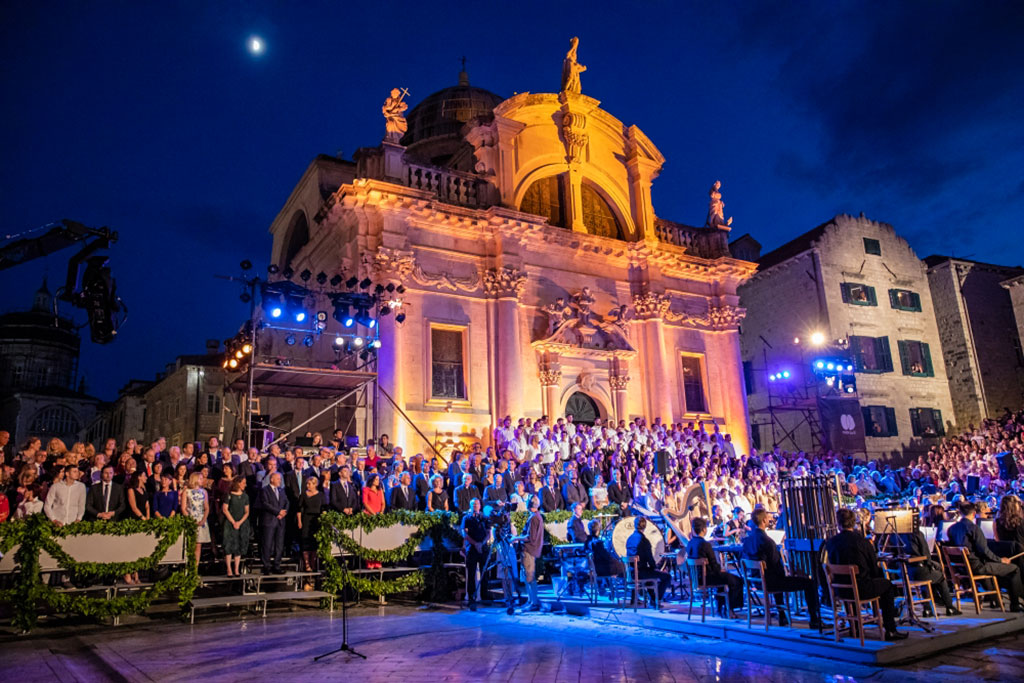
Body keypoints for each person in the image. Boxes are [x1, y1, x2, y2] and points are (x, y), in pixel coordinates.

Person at [825, 508, 906, 640]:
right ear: (854, 523)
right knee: (887, 586)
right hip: (861, 589)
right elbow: (874, 569)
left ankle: (855, 626)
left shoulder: (831, 542)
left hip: (840, 590)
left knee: (855, 583)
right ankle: (890, 629)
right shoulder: (863, 542)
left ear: (838, 524)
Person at [743, 508, 822, 628]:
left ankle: (782, 616)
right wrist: (790, 571)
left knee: (773, 575)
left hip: (755, 581)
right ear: (764, 520)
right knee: (809, 583)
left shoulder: (747, 541)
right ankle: (815, 620)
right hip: (770, 582)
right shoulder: (768, 541)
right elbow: (776, 566)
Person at [947, 502, 1022, 612]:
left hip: (962, 568)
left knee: (990, 566)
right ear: (974, 513)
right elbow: (985, 551)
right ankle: (1015, 605)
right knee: (1014, 569)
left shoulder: (952, 529)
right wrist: (1001, 560)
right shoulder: (974, 528)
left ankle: (995, 600)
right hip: (977, 567)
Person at [894, 525, 960, 616]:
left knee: (929, 574)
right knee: (939, 576)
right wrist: (931, 564)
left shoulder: (896, 535)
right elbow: (926, 554)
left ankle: (928, 608)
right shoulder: (917, 534)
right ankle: (949, 607)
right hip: (917, 570)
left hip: (903, 572)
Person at [687, 517, 743, 617]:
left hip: (696, 579)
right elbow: (713, 564)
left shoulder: (690, 543)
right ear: (704, 530)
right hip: (708, 578)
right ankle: (729, 608)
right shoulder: (705, 544)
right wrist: (720, 569)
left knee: (723, 578)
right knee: (737, 580)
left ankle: (720, 606)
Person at [626, 517, 670, 602]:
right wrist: (655, 568)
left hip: (630, 572)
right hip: (640, 573)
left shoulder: (629, 539)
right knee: (667, 577)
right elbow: (650, 559)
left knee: (649, 572)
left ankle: (653, 598)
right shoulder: (644, 541)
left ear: (635, 526)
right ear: (645, 526)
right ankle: (657, 599)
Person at [517, 495, 545, 611]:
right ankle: (530, 600)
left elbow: (530, 537)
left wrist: (516, 538)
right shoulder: (537, 516)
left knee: (529, 577)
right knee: (528, 576)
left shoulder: (534, 518)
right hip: (531, 550)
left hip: (529, 550)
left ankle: (533, 602)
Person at [257, 472, 289, 574]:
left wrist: (283, 512)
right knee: (267, 544)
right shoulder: (264, 490)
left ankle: (277, 565)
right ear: (272, 479)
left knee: (279, 544)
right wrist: (277, 512)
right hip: (269, 520)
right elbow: (265, 504)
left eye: (280, 479)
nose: (280, 481)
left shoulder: (281, 490)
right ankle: (266, 566)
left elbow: (287, 502)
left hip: (280, 521)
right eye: (278, 479)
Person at [461, 498, 489, 611]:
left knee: (484, 573)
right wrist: (475, 544)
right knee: (471, 574)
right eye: (473, 504)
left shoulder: (484, 517)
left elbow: (488, 532)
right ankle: (472, 598)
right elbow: (464, 533)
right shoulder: (466, 518)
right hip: (472, 548)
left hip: (483, 547)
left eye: (477, 504)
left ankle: (485, 596)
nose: (476, 506)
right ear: (470, 505)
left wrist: (481, 544)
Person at [221, 476, 251, 577]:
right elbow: (225, 509)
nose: (245, 485)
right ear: (238, 483)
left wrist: (239, 522)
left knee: (239, 545)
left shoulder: (245, 496)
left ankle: (236, 569)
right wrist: (233, 522)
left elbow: (247, 512)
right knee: (229, 545)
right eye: (243, 482)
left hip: (241, 523)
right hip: (230, 522)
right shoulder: (229, 495)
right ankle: (229, 569)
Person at [181, 472, 210, 569]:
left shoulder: (204, 492)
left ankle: (195, 568)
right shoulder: (187, 491)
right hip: (191, 519)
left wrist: (203, 520)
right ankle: (188, 567)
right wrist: (190, 520)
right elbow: (184, 508)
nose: (202, 480)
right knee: (190, 544)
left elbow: (206, 508)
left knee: (198, 545)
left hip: (201, 520)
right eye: (200, 478)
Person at [297, 476, 323, 572]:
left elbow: (323, 508)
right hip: (306, 519)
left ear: (315, 484)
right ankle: (306, 564)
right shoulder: (303, 495)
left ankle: (313, 563)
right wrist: (299, 521)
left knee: (314, 543)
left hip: (316, 520)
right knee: (305, 542)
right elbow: (299, 509)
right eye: (307, 483)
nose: (307, 485)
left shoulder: (320, 495)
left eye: (309, 484)